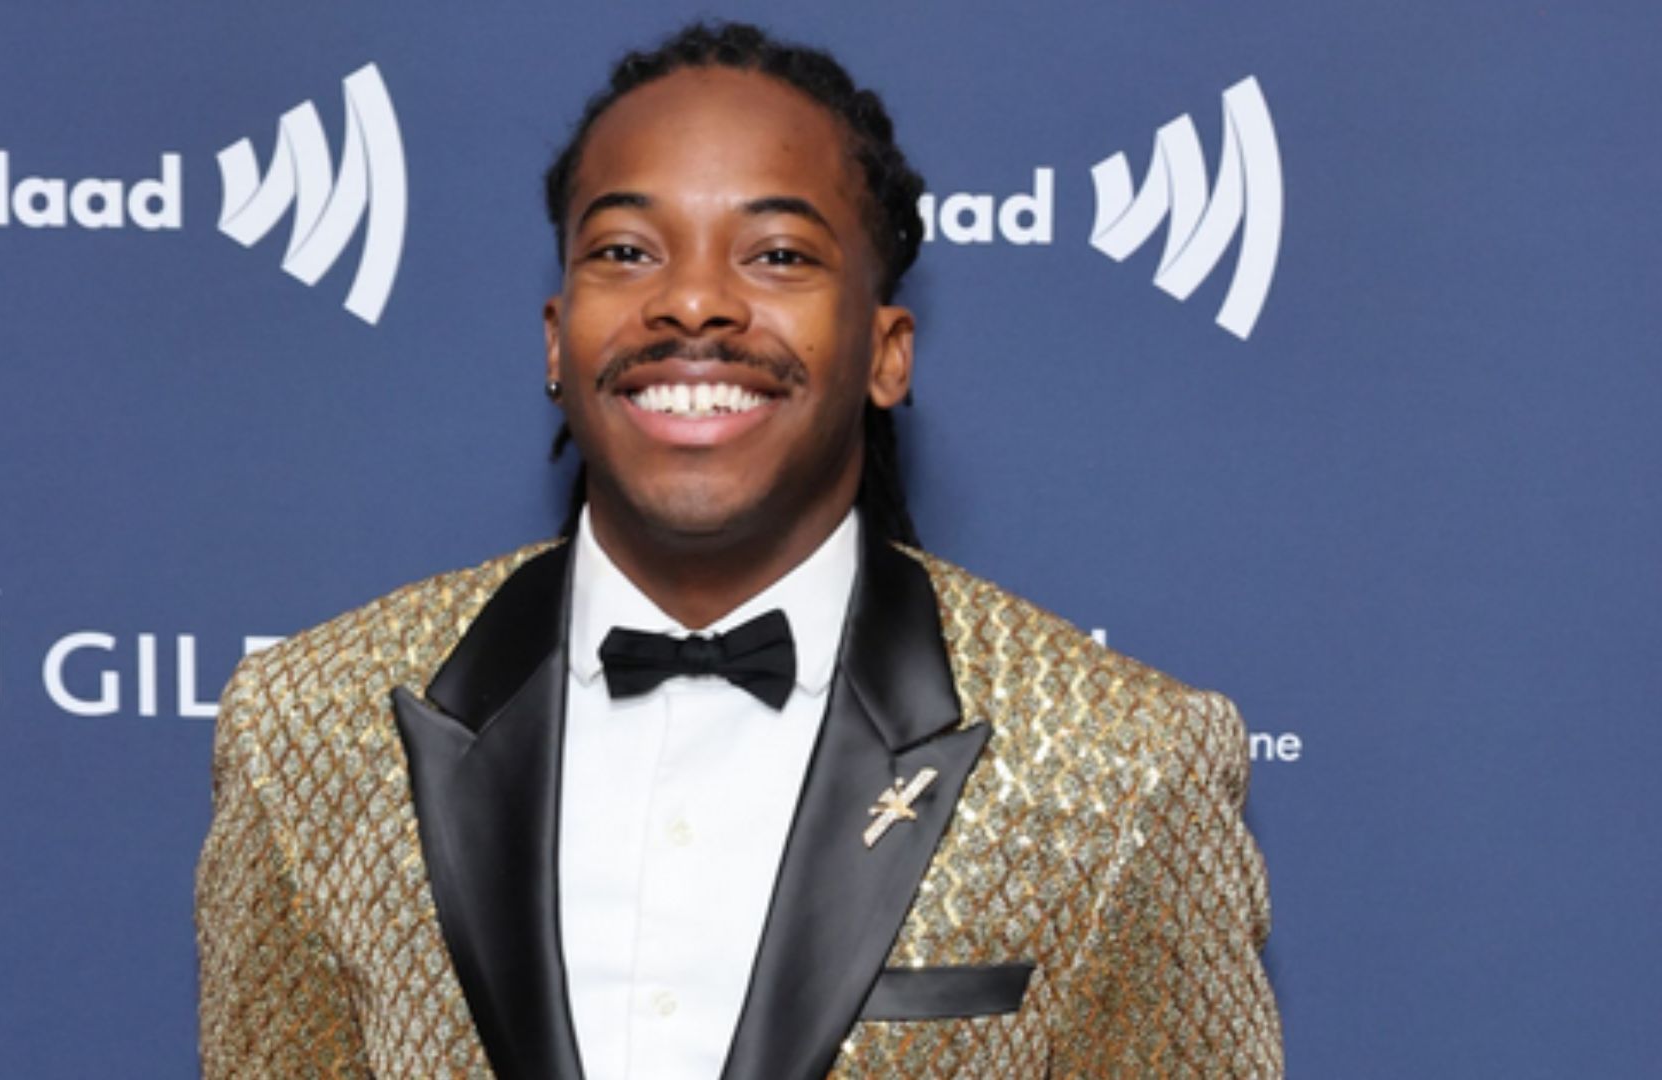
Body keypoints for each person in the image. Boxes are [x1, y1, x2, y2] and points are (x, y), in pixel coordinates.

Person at [196, 21, 1281, 1079]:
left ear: (886, 352)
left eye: (777, 254)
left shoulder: (1123, 762)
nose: (695, 302)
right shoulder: (310, 726)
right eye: (625, 251)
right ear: (554, 341)